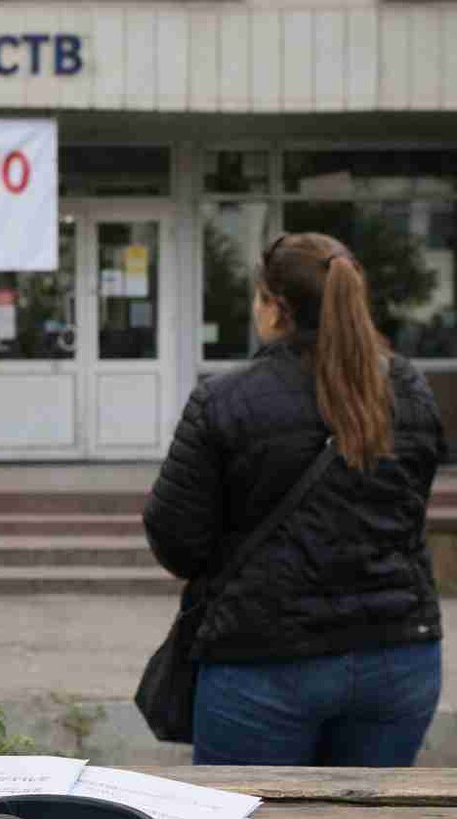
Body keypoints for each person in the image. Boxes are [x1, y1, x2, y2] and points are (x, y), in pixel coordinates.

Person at [143, 232, 446, 767]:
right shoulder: (410, 390)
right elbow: (410, 507)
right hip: (398, 656)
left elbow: (177, 540)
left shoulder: (224, 400)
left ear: (276, 308)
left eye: (258, 297)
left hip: (261, 659)